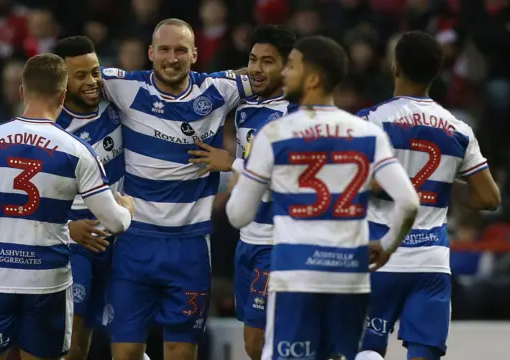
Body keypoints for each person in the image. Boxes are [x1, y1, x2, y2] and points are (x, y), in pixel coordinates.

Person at [225, 35, 420, 360]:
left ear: (313, 77)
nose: (286, 73)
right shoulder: (366, 132)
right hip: (348, 275)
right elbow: (409, 202)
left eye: (292, 66)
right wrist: (387, 246)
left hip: (296, 271)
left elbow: (238, 215)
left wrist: (240, 177)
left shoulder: (276, 133)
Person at [0, 53, 135, 360]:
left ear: (21, 91)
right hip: (48, 283)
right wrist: (128, 209)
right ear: (62, 95)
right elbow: (115, 224)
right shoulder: (77, 152)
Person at [100, 18, 253, 360]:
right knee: (124, 352)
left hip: (190, 245)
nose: (172, 57)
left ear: (195, 54)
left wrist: (232, 161)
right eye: (165, 49)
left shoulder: (218, 90)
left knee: (180, 352)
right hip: (134, 241)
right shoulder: (124, 86)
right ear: (151, 53)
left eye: (181, 50)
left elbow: (269, 73)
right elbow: (66, 76)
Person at [354, 31, 501, 360]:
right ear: (436, 72)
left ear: (395, 67)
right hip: (431, 261)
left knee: (364, 351)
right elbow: (490, 198)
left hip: (380, 255)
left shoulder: (370, 121)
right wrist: (444, 187)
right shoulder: (459, 129)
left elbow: (349, 183)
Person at [189, 24, 296, 360]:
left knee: (259, 341)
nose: (256, 68)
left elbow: (281, 179)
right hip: (248, 239)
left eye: (268, 61)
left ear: (288, 67)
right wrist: (247, 72)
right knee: (256, 343)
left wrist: (231, 163)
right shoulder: (247, 106)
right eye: (252, 59)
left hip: (276, 241)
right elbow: (210, 86)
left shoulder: (293, 115)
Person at [52, 36, 125, 360]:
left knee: (96, 342)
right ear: (62, 80)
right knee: (70, 340)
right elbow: (30, 199)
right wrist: (69, 229)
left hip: (119, 240)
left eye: (95, 72)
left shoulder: (119, 106)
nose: (92, 81)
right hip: (74, 243)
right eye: (80, 75)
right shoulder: (50, 129)